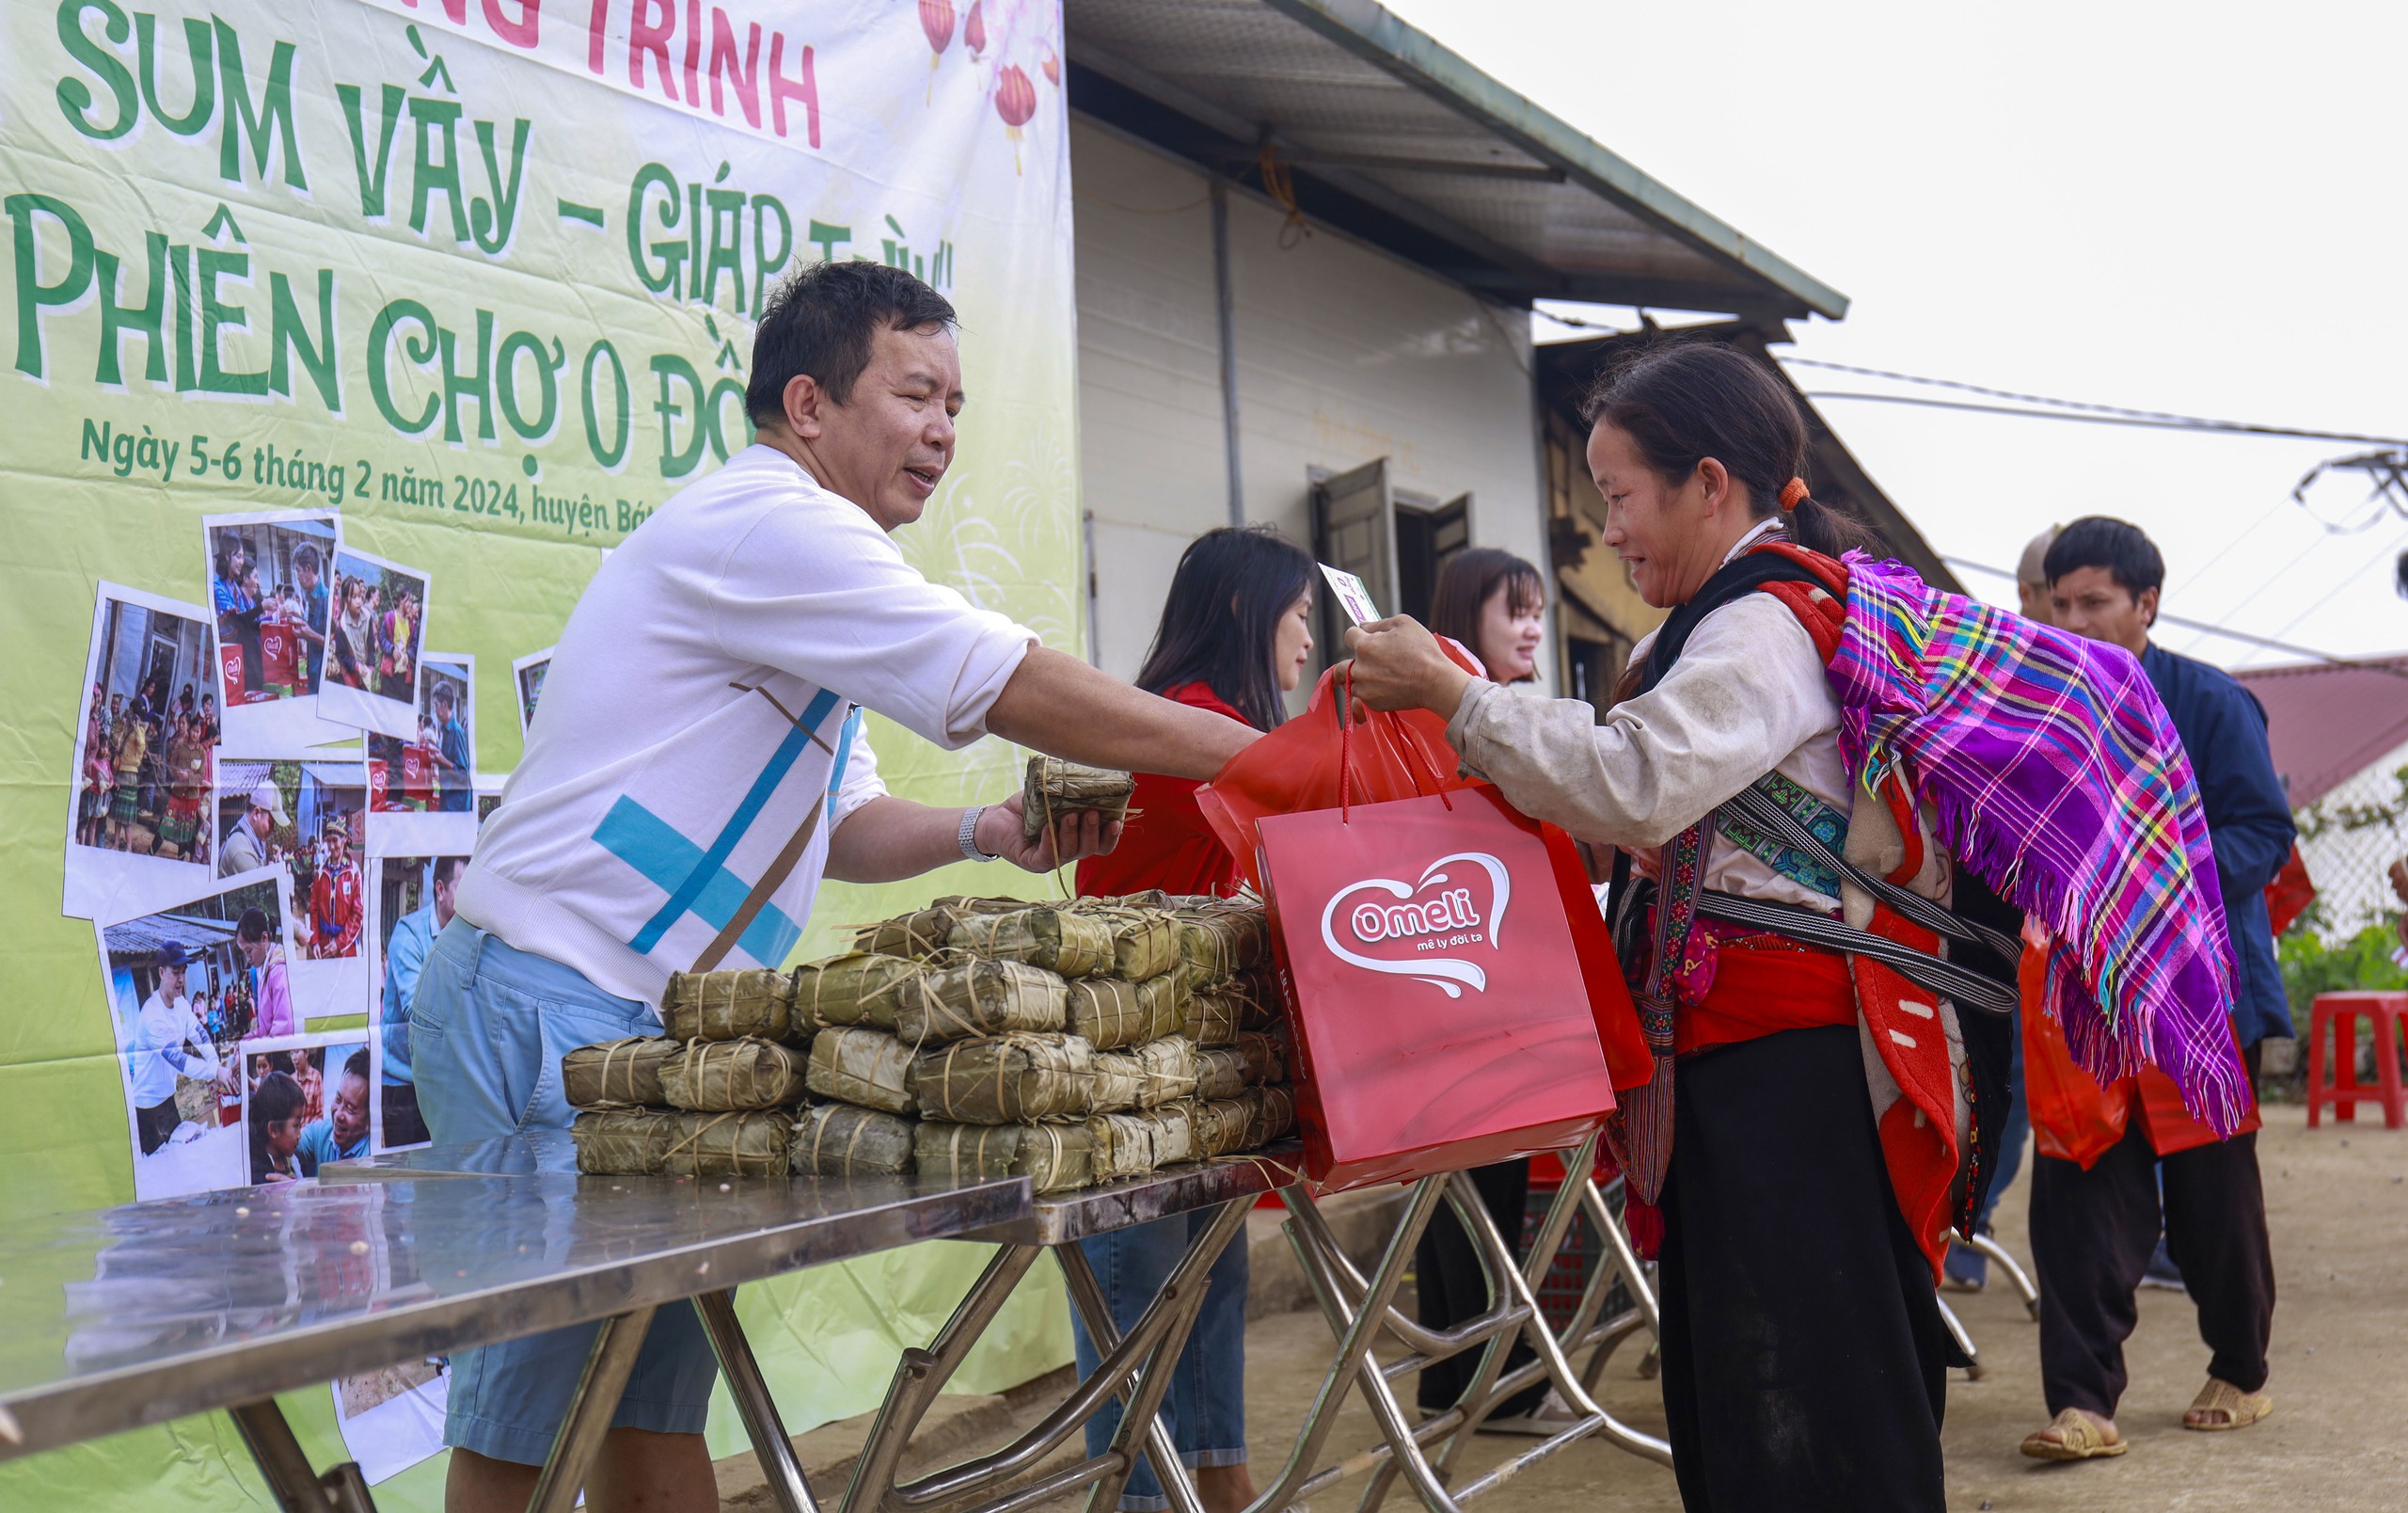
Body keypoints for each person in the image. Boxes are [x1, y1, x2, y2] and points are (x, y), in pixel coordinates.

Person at [412, 260, 1258, 1513]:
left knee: (649, 1408)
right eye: (917, 394)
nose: (943, 432)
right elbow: (996, 671)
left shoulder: (808, 576)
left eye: (958, 406)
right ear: (807, 404)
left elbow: (844, 820)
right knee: (532, 1424)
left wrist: (986, 826)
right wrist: (1269, 759)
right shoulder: (769, 525)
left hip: (656, 1039)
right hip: (551, 1001)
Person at [1343, 342, 1987, 1512]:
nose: (1609, 531)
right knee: (1759, 1375)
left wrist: (1457, 697)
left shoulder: (1760, 630)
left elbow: (1635, 781)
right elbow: (1649, 799)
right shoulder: (1713, 625)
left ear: (1706, 483)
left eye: (1621, 497)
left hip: (1785, 1074)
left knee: (1800, 1383)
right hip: (1750, 1065)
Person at [2017, 517, 2289, 1460]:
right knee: (2077, 1192)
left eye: (2094, 601)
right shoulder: (2039, 708)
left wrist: (2153, 879)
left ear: (2147, 603)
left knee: (2214, 1202)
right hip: (2086, 1003)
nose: (2075, 619)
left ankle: (2240, 1369)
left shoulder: (2211, 704)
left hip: (2201, 1000)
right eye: (2060, 603)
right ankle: (2082, 1403)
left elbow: (2261, 834)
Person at [1069, 526, 1314, 1513]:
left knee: (1207, 1288)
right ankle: (1141, 1495)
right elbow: (1289, 821)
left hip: (1197, 1061)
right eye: (1298, 619)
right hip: (1134, 1064)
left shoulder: (1210, 726)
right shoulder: (1189, 726)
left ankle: (1220, 1482)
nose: (1304, 644)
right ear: (1240, 614)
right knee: (1141, 1303)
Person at [1408, 547, 1566, 1431]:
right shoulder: (1453, 717)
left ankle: (1490, 1379)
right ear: (1468, 618)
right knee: (1469, 1197)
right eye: (1517, 611)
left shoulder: (1498, 712)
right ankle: (1469, 1383)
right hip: (1462, 992)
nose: (1534, 627)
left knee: (1490, 1197)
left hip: (1493, 990)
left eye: (1538, 610)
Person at [1941, 525, 2059, 1294]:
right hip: (1989, 923)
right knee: (1991, 1080)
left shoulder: (2094, 681)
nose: (2077, 614)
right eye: (2064, 595)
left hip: (2068, 935)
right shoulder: (1994, 670)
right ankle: (1958, 1237)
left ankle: (1966, 1235)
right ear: (2027, 596)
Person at [380, 855, 464, 1148]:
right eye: (464, 888)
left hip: (443, 1084)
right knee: (407, 1184)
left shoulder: (469, 939)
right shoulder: (409, 935)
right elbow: (417, 1012)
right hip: (403, 1084)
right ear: (440, 890)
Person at [127, 942, 222, 1155]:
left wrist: (214, 1060)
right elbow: (179, 1060)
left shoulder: (181, 1005)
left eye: (183, 972)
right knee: (159, 1169)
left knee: (180, 1157)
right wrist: (215, 1071)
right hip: (147, 1107)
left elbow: (199, 1033)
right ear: (161, 972)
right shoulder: (151, 1015)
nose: (181, 979)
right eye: (175, 972)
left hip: (168, 1099)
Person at [295, 1048, 372, 1174]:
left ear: (369, 1120)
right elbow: (288, 1139)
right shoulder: (322, 1133)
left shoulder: (372, 1157)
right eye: (338, 1099)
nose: (338, 1114)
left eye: (350, 1109)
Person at [237, 905, 297, 1040]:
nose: (248, 958)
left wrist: (256, 1046)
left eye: (249, 951)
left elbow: (283, 1029)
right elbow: (266, 1028)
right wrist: (247, 1040)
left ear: (264, 938)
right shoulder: (262, 971)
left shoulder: (279, 973)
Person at [311, 820, 363, 959]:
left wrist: (339, 943)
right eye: (328, 841)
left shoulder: (353, 872)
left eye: (335, 840)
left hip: (347, 949)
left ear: (345, 839)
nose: (331, 846)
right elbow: (314, 909)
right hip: (324, 948)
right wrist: (314, 941)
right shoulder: (321, 872)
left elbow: (357, 914)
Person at [249, 1069, 308, 1183]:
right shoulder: (259, 1176)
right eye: (296, 1126)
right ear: (274, 1130)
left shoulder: (293, 1159)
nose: (299, 1134)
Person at [220, 783, 284, 878]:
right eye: (270, 823)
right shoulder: (241, 851)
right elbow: (261, 888)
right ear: (256, 813)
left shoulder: (251, 840)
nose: (272, 829)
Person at [291, 542, 331, 689]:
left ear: (308, 569)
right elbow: (312, 627)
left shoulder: (326, 598)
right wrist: (297, 617)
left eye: (298, 571)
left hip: (324, 676)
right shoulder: (309, 596)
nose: (297, 577)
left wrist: (309, 634)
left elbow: (332, 643)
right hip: (312, 674)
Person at [432, 682, 475, 812]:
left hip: (456, 804)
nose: (434, 709)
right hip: (446, 798)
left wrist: (442, 760)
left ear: (444, 705)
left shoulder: (457, 731)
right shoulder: (444, 729)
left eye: (436, 705)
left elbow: (463, 774)